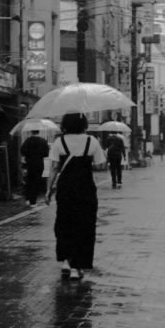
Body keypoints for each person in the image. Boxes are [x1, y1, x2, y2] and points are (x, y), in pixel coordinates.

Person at [44, 112, 106, 280]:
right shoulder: (91, 141)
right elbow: (100, 166)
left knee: (64, 223)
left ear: (65, 125)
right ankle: (77, 266)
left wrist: (48, 190)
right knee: (84, 225)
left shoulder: (59, 142)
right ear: (84, 124)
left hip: (65, 188)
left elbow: (54, 168)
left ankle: (65, 260)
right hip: (85, 188)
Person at [20, 129, 50, 205]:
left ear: (31, 132)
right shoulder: (43, 141)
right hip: (39, 164)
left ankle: (28, 198)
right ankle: (33, 200)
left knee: (29, 181)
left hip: (29, 164)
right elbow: (46, 154)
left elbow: (22, 151)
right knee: (36, 182)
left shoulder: (27, 141)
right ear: (39, 132)